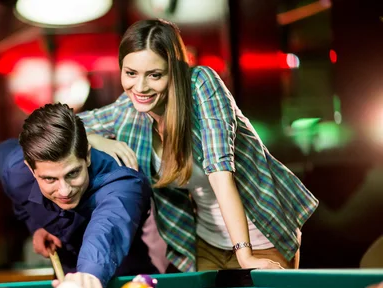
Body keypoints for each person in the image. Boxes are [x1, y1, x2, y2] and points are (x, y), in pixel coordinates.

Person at [79, 19, 319, 272]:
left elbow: (220, 173)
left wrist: (245, 255)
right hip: (206, 243)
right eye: (130, 73)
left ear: (174, 71)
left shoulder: (201, 84)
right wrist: (95, 139)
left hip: (262, 237)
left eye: (155, 75)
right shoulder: (128, 110)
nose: (140, 87)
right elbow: (65, 125)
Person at [0, 103, 157, 288]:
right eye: (50, 179)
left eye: (73, 173)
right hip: (69, 283)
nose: (65, 190)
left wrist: (88, 273)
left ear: (86, 155)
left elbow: (107, 227)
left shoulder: (122, 182)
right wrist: (37, 226)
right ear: (30, 169)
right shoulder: (16, 171)